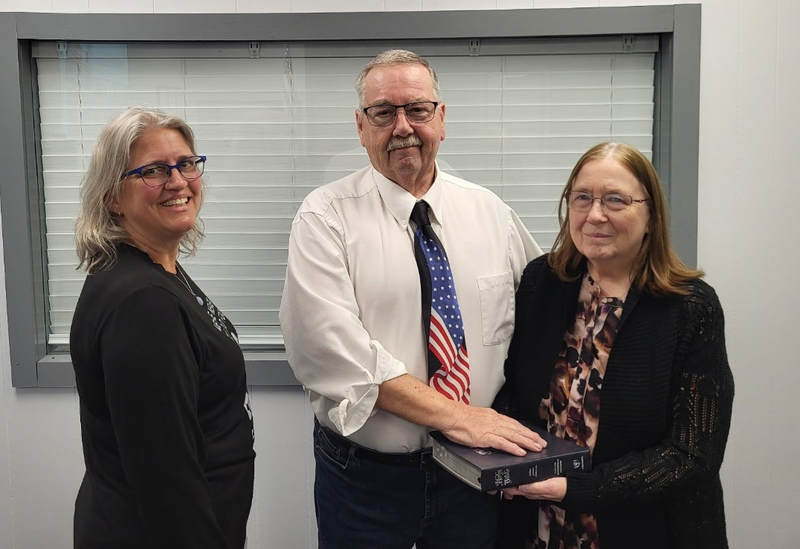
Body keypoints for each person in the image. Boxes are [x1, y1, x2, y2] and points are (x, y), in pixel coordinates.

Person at [279, 49, 545, 548]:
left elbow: (543, 310)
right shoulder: (324, 218)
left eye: (418, 110)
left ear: (441, 119)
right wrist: (462, 417)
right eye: (384, 112)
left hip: (476, 476)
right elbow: (334, 353)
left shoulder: (490, 212)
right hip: (367, 481)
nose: (403, 126)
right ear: (361, 127)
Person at [494, 142, 734, 549]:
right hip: (539, 522)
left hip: (645, 529)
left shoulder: (690, 308)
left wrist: (574, 487)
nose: (595, 214)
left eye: (616, 200)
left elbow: (692, 457)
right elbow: (514, 395)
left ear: (651, 216)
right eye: (582, 197)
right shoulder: (543, 282)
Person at [70, 107, 255, 549]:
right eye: (152, 170)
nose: (178, 182)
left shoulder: (155, 270)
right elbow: (164, 478)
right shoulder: (142, 303)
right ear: (112, 197)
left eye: (186, 164)